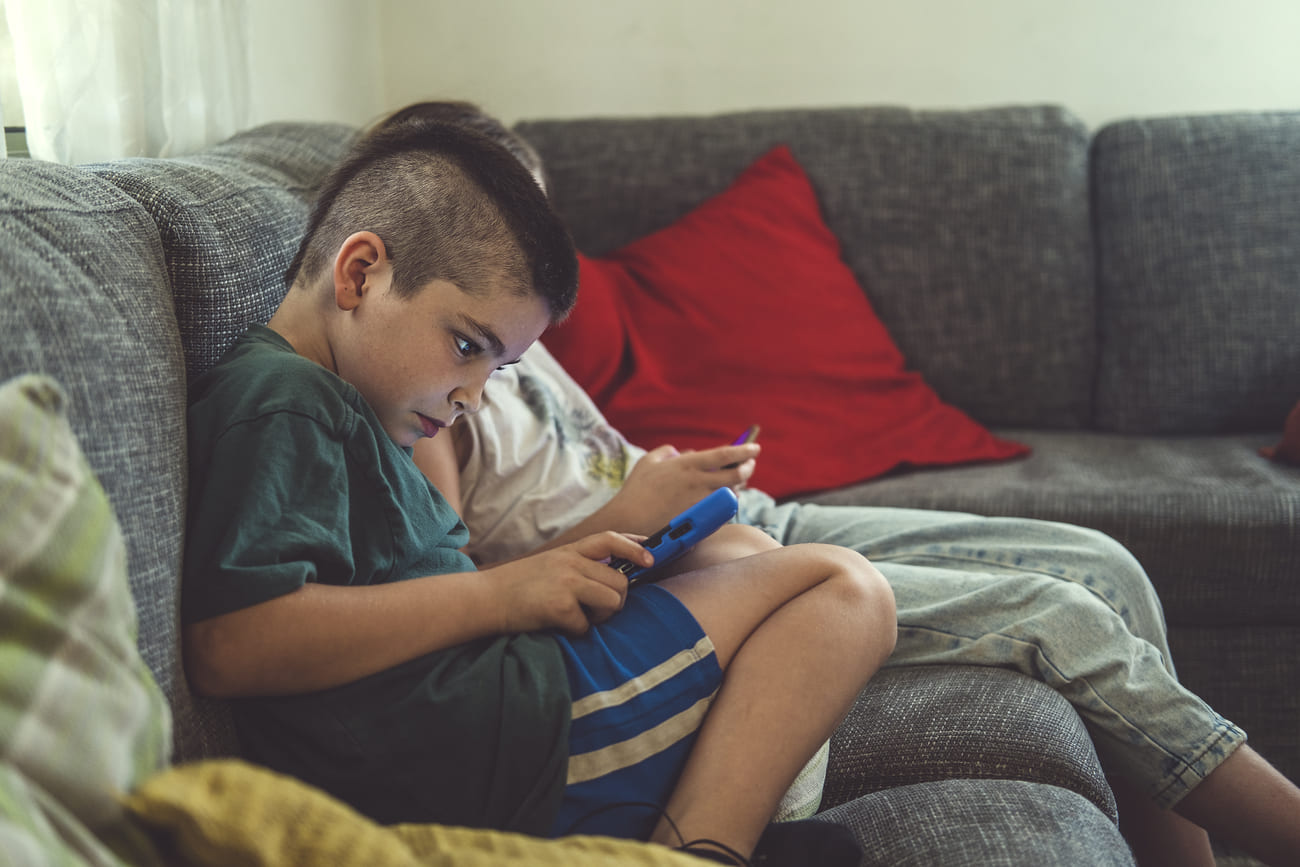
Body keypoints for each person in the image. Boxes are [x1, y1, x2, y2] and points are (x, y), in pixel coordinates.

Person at [401, 101, 1300, 867]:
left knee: (1110, 563)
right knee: (1065, 615)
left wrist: (664, 475)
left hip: (734, 518)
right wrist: (634, 511)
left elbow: (559, 466)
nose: (539, 266)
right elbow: (469, 592)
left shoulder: (513, 334)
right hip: (704, 566)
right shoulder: (432, 388)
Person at [180, 115, 896, 867]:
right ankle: (701, 852)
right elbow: (231, 642)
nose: (473, 396)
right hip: (488, 741)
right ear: (360, 274)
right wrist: (503, 594)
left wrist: (550, 576)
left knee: (741, 552)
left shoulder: (349, 407)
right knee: (844, 587)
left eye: (498, 368)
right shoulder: (287, 399)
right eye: (467, 346)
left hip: (491, 722)